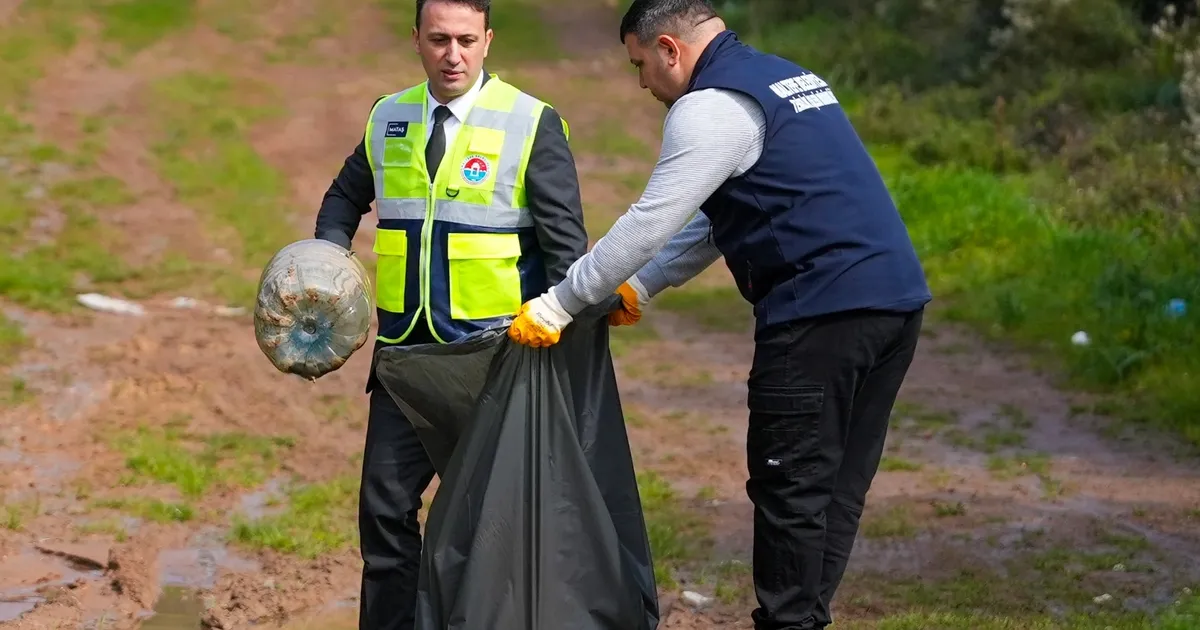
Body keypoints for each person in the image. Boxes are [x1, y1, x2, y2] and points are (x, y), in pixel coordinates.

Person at [506, 0, 932, 628]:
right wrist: (642, 287)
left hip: (821, 311)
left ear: (671, 50)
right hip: (893, 304)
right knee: (833, 489)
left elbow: (651, 220)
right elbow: (720, 214)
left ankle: (791, 621)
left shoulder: (708, 108)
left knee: (790, 488)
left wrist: (559, 303)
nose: (644, 83)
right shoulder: (784, 77)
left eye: (641, 64)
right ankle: (805, 620)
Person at [313, 0, 589, 627]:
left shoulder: (531, 122)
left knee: (490, 532)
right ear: (416, 39)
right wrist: (326, 258)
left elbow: (567, 253)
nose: (453, 55)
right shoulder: (390, 116)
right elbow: (342, 200)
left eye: (466, 39)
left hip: (497, 362)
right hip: (404, 360)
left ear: (488, 40)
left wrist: (563, 343)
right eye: (439, 39)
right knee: (384, 511)